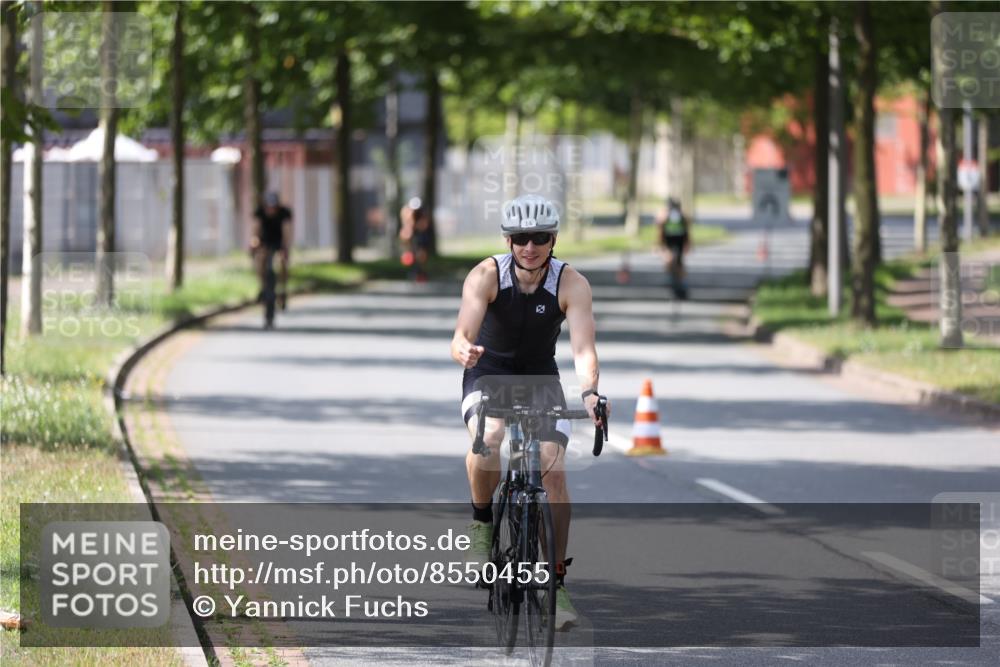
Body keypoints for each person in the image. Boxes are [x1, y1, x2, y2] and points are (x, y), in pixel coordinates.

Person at [450, 193, 607, 631]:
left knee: (553, 472)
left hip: (541, 380)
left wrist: (590, 393)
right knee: (491, 438)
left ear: (553, 239)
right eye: (521, 238)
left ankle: (555, 582)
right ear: (508, 239)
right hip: (488, 372)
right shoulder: (486, 274)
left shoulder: (571, 283)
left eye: (540, 238)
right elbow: (462, 331)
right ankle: (482, 523)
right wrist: (463, 348)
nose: (530, 246)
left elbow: (583, 348)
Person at [250, 192, 293, 310]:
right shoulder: (260, 212)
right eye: (269, 208)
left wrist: (285, 248)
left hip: (279, 242)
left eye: (273, 208)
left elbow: (287, 231)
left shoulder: (284, 213)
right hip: (265, 242)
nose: (271, 210)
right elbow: (255, 229)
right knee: (260, 261)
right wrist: (254, 242)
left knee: (282, 263)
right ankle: (263, 288)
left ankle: (282, 289)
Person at [658, 197, 690, 300]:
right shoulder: (664, 216)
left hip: (678, 241)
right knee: (670, 261)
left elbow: (687, 230)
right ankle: (671, 280)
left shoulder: (682, 216)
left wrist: (688, 243)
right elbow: (660, 231)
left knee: (678, 263)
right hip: (670, 241)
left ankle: (682, 284)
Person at [399, 197, 431, 283]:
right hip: (412, 234)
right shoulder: (406, 212)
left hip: (421, 234)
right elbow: (406, 228)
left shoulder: (423, 213)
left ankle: (421, 272)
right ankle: (413, 270)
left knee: (422, 254)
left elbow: (424, 225)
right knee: (411, 252)